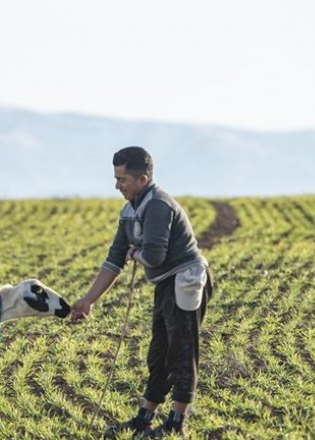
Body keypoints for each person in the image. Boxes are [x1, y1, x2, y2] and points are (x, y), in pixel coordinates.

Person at [71, 146, 213, 438]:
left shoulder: (159, 206)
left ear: (143, 179)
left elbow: (154, 256)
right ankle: (144, 417)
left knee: (181, 353)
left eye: (122, 179)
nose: (116, 185)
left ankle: (177, 423)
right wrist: (88, 300)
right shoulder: (129, 210)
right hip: (165, 285)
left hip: (186, 280)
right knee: (158, 353)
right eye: (116, 178)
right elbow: (114, 258)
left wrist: (135, 253)